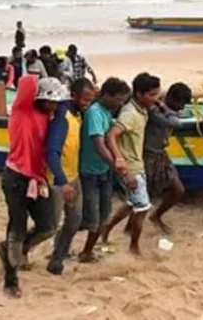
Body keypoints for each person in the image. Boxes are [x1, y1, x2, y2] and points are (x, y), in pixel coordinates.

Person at [0, 75, 65, 298]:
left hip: (37, 179)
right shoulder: (22, 110)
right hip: (16, 177)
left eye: (56, 102)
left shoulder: (48, 117)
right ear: (38, 98)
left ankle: (12, 250)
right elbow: (26, 82)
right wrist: (40, 74)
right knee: (17, 228)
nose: (53, 105)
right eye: (50, 100)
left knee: (48, 225)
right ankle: (11, 280)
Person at [100, 72, 161, 256]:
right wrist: (120, 161)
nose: (155, 99)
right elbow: (111, 135)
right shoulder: (130, 113)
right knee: (142, 207)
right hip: (131, 168)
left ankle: (106, 228)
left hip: (136, 163)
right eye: (151, 95)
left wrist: (157, 102)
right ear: (139, 94)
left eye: (156, 94)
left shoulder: (141, 109)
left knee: (131, 203)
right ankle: (134, 246)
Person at [45, 78, 97, 276]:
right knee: (49, 226)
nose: (87, 104)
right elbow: (52, 152)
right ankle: (18, 250)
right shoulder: (62, 118)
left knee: (74, 221)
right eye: (85, 100)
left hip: (73, 177)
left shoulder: (78, 115)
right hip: (59, 181)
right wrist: (62, 181)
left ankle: (57, 260)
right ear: (73, 96)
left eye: (90, 100)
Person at [77, 77, 131, 264]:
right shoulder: (95, 113)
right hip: (90, 172)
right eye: (118, 100)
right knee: (89, 218)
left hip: (104, 172)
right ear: (107, 95)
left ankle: (87, 252)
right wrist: (116, 164)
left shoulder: (107, 113)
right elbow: (99, 144)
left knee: (103, 215)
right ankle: (63, 246)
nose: (120, 104)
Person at [143, 82, 192, 234]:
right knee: (144, 197)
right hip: (148, 155)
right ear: (170, 98)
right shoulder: (155, 109)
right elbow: (175, 123)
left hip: (161, 153)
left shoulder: (165, 106)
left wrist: (170, 109)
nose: (181, 108)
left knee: (178, 190)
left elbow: (180, 115)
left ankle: (156, 216)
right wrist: (167, 109)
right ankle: (129, 226)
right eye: (180, 104)